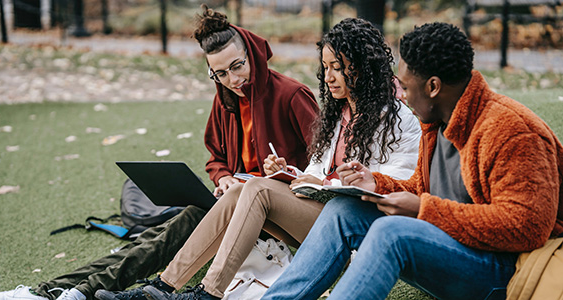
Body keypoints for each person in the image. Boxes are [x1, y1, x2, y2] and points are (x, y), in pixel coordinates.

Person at [0, 6, 318, 300]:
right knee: (156, 235)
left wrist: (285, 171)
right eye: (220, 73)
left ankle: (73, 293)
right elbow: (215, 158)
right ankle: (57, 291)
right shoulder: (225, 101)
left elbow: (322, 164)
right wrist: (224, 178)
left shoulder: (291, 96)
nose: (232, 80)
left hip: (278, 214)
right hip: (235, 205)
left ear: (251, 54)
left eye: (237, 67)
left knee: (177, 227)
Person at [116, 17, 422, 300]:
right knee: (241, 189)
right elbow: (317, 166)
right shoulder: (337, 113)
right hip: (321, 211)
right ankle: (162, 287)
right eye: (325, 67)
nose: (328, 77)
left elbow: (405, 181)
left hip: (355, 224)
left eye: (337, 68)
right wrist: (290, 172)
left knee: (257, 189)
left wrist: (337, 180)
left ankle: (208, 294)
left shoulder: (399, 119)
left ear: (362, 66)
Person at [260, 22, 563, 300]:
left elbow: (528, 227)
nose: (401, 96)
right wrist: (376, 182)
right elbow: (421, 186)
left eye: (405, 87)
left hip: (501, 273)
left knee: (391, 233)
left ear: (433, 87)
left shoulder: (512, 131)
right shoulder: (436, 122)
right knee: (344, 209)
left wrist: (424, 210)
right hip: (447, 247)